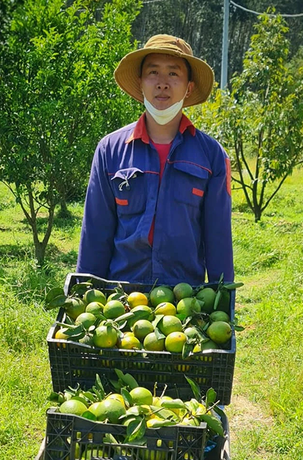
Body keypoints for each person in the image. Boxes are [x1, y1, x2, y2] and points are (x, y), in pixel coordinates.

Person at [76, 35, 234, 286]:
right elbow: (95, 234)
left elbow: (218, 241)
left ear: (189, 87)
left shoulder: (212, 155)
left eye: (173, 74)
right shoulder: (110, 150)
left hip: (184, 301)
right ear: (140, 82)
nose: (162, 83)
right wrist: (85, 296)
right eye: (153, 72)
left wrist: (224, 307)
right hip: (120, 303)